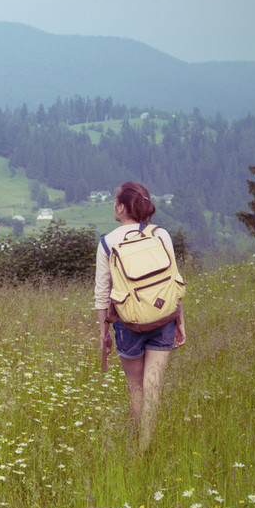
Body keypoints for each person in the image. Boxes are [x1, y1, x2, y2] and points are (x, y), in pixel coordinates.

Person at [95, 181, 186, 451]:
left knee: (136, 388)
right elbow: (175, 282)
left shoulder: (108, 242)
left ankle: (140, 446)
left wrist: (103, 333)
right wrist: (179, 320)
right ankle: (149, 443)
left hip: (128, 323)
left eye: (115, 201)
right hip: (163, 317)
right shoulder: (161, 234)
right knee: (153, 386)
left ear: (121, 207)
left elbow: (102, 292)